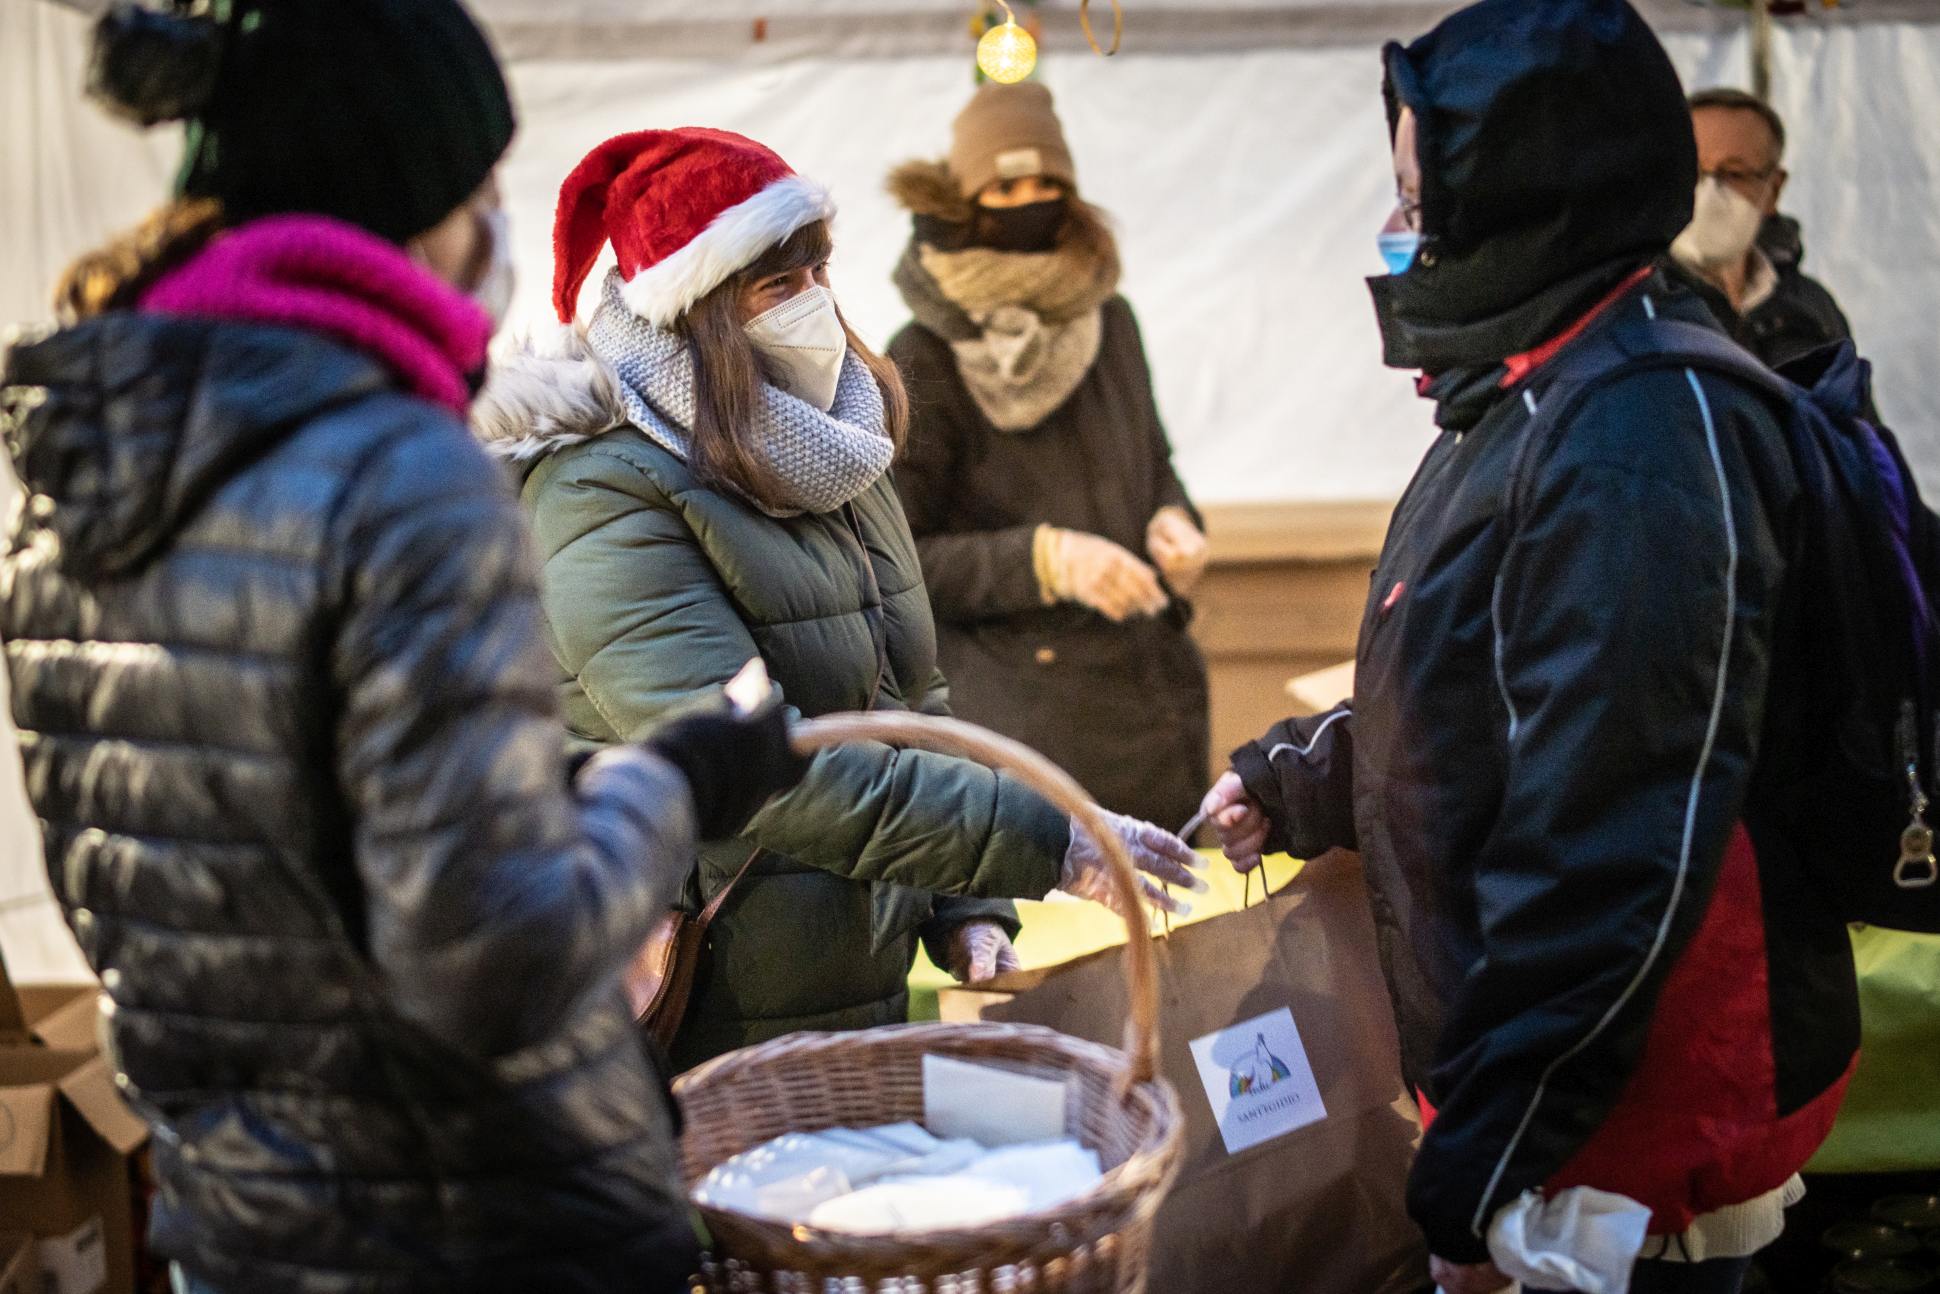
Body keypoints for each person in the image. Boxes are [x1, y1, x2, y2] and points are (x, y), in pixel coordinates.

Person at [1, 5, 807, 1291]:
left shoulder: (69, 487)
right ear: (411, 201)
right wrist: (677, 781)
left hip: (239, 1226)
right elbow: (496, 963)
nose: (496, 221)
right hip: (471, 1227)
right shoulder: (403, 475)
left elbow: (227, 879)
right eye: (482, 183)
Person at [1202, 2, 1858, 1292]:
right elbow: (1472, 679)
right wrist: (1303, 777)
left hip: (1627, 1109)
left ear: (1526, 190)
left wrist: (1483, 1173)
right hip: (1555, 1086)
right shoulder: (1534, 383)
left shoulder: (1639, 434)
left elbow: (1606, 848)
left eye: (1419, 196)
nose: (1403, 232)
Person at [472, 128, 1204, 1071]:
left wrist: (962, 904)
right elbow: (770, 767)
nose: (814, 304)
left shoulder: (833, 452)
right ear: (692, 308)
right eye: (777, 285)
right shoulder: (602, 490)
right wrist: (1045, 840)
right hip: (711, 1002)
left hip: (859, 970)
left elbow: (911, 700)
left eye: (820, 271)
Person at [884, 82, 1212, 833]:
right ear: (963, 200)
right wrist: (1045, 560)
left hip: (1154, 701)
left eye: (1046, 184)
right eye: (1004, 186)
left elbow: (1154, 461)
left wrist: (1173, 520)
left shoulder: (1113, 323)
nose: (1028, 201)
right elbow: (897, 560)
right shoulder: (923, 356)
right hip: (1026, 736)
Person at [1670, 87, 1857, 370]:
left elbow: (1853, 410)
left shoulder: (1810, 306)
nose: (1708, 192)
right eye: (1692, 171)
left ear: (1774, 188)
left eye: (1733, 174)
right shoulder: (1633, 301)